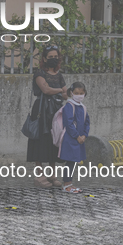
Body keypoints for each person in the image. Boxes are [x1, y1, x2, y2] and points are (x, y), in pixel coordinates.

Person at [26, 45, 67, 188]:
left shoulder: (59, 75)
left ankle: (52, 175)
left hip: (56, 110)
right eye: (50, 57)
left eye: (56, 57)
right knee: (39, 141)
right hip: (41, 110)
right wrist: (60, 90)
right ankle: (39, 175)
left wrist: (62, 91)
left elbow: (66, 94)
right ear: (44, 58)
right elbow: (45, 89)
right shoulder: (39, 74)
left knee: (53, 140)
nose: (53, 59)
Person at [60, 82, 90, 194]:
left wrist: (84, 135)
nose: (79, 95)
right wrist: (77, 136)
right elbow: (68, 123)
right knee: (70, 162)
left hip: (79, 139)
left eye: (81, 93)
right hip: (71, 139)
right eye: (76, 93)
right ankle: (66, 184)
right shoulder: (69, 106)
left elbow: (87, 122)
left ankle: (69, 183)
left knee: (73, 162)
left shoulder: (83, 107)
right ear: (71, 93)